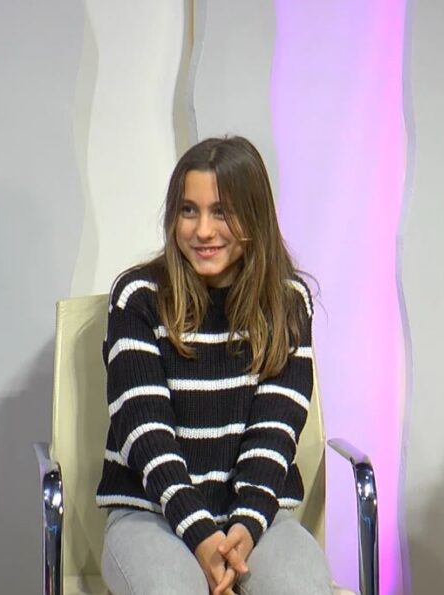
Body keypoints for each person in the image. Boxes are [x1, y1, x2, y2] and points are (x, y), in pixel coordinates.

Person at [96, 136, 332, 595]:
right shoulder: (137, 298)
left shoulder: (288, 302)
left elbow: (275, 431)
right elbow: (146, 434)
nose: (203, 230)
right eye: (189, 210)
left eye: (221, 212)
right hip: (150, 512)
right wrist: (199, 532)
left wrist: (246, 523)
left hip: (258, 515)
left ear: (255, 216)